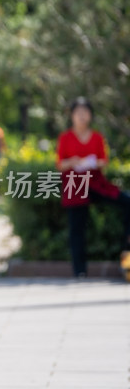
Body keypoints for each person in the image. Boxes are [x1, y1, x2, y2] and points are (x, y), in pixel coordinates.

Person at [56, 97, 130, 278]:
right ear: (72, 116)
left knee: (127, 201)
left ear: (90, 115)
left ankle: (126, 250)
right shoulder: (65, 137)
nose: (82, 116)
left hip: (96, 182)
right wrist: (72, 162)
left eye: (85, 112)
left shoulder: (97, 137)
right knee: (77, 228)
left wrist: (93, 162)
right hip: (75, 184)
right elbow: (60, 164)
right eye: (78, 113)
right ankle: (79, 270)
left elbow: (103, 161)